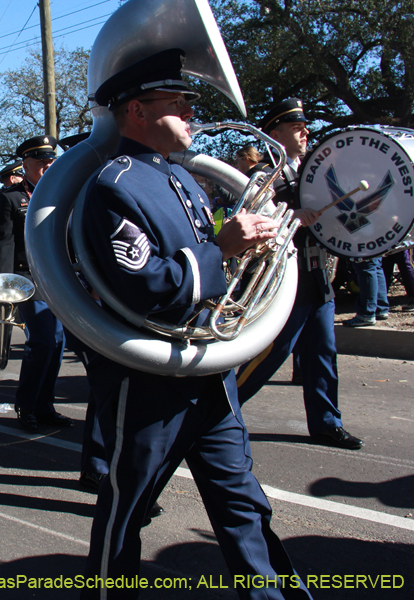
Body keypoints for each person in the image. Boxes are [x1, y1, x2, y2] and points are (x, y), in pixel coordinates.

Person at [81, 49, 311, 598]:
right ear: (136, 110)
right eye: (178, 103)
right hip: (151, 377)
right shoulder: (114, 185)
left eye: (189, 102)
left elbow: (211, 265)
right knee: (129, 508)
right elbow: (148, 286)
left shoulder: (182, 180)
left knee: (243, 503)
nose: (190, 113)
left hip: (209, 366)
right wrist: (221, 248)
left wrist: (253, 246)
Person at [236, 98, 364, 450]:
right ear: (275, 134)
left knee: (322, 352)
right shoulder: (265, 177)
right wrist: (291, 213)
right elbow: (252, 222)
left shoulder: (317, 172)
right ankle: (217, 414)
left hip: (317, 274)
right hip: (285, 280)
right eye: (296, 127)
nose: (305, 132)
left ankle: (326, 423)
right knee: (270, 355)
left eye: (304, 126)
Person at [0, 135, 72, 433]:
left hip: (60, 279)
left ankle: (45, 405)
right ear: (25, 164)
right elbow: (4, 242)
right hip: (27, 279)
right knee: (43, 340)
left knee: (59, 342)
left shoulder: (61, 191)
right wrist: (3, 284)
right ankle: (27, 405)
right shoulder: (11, 198)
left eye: (51, 161)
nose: (47, 166)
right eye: (40, 162)